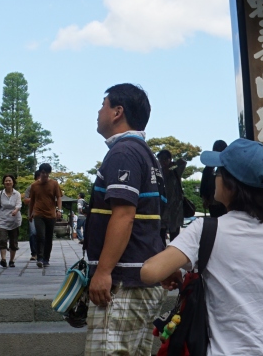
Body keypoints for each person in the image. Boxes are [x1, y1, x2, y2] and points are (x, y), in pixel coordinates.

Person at [141, 137, 263, 356]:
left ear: (231, 184)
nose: (215, 177)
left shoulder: (205, 229)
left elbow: (149, 272)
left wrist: (174, 268)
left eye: (218, 172)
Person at [84, 84, 166, 356]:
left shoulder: (124, 153)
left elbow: (124, 215)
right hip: (143, 278)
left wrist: (103, 272)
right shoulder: (147, 155)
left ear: (117, 112)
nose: (99, 112)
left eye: (103, 105)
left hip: (123, 282)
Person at [26, 163, 62, 268]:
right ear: (40, 172)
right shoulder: (34, 186)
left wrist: (59, 210)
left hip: (51, 214)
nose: (45, 175)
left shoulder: (54, 184)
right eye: (43, 173)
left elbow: (59, 197)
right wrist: (30, 213)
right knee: (40, 235)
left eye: (47, 173)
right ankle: (40, 258)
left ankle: (46, 259)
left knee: (48, 237)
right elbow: (32, 200)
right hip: (38, 214)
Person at [156, 149, 188, 241]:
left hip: (175, 209)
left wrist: (173, 164)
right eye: (161, 159)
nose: (163, 162)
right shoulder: (157, 174)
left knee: (175, 237)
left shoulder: (175, 172)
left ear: (170, 160)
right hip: (161, 209)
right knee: (160, 236)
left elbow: (183, 162)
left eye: (166, 159)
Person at [0, 173, 22, 267]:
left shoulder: (17, 194)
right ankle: (3, 259)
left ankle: (11, 260)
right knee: (2, 239)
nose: (8, 182)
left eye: (9, 180)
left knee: (13, 241)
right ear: (4, 183)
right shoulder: (0, 193)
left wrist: (16, 210)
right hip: (3, 220)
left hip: (14, 220)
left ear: (13, 182)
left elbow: (19, 204)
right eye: (6, 181)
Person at [200, 139, 229, 217]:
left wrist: (205, 199)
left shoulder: (208, 169)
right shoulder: (228, 167)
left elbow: (203, 186)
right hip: (222, 203)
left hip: (214, 203)